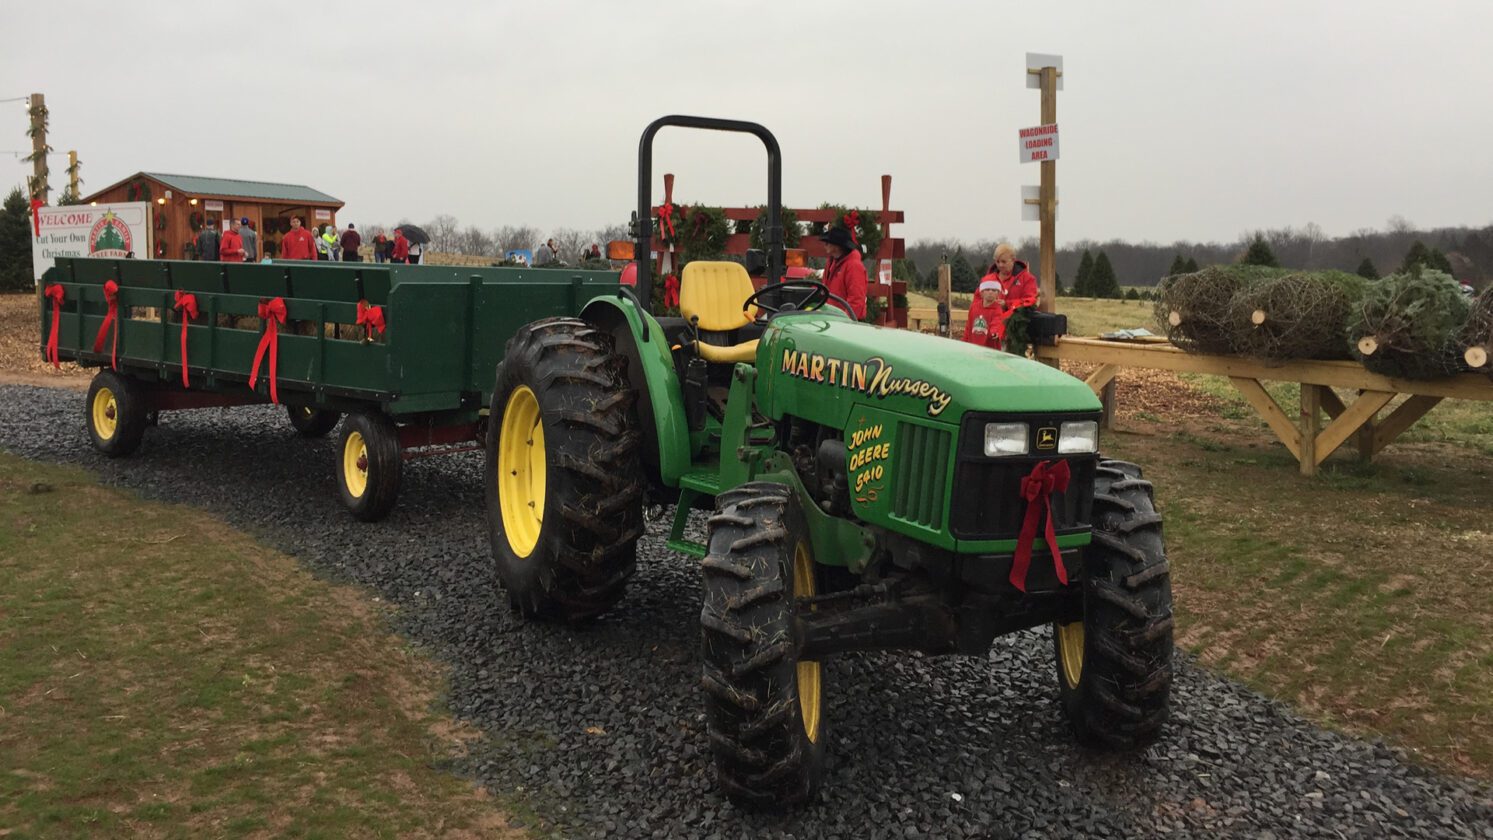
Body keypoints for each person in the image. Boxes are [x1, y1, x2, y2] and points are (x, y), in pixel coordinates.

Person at [817, 226, 867, 320]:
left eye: (828, 242)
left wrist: (845, 322)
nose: (825, 245)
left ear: (837, 246)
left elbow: (856, 300)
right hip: (831, 319)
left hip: (845, 323)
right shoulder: (831, 261)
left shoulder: (853, 266)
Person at [985, 243, 1039, 309]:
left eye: (1003, 262)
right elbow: (977, 300)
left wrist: (1007, 304)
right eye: (997, 261)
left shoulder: (1027, 279)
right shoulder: (987, 279)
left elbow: (1030, 301)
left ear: (1013, 260)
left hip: (1016, 318)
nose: (1000, 265)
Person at [962, 278, 1006, 349]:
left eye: (994, 290)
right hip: (972, 347)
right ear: (981, 292)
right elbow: (968, 327)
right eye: (987, 289)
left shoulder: (997, 310)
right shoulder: (974, 307)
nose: (990, 292)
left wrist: (994, 332)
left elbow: (996, 324)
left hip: (989, 349)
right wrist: (964, 342)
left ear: (998, 293)